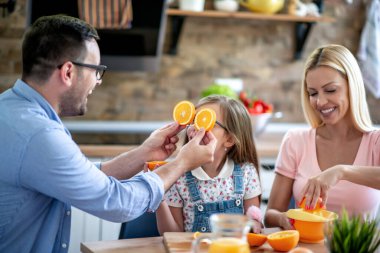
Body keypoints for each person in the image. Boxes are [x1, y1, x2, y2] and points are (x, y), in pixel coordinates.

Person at [0, 15, 217, 253]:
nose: (98, 81)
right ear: (69, 72)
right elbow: (117, 202)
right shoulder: (40, 135)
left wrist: (145, 153)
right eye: (96, 70)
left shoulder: (12, 111)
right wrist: (182, 162)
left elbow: (82, 178)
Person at [264, 44, 380, 230]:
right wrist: (283, 220)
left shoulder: (375, 142)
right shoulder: (296, 141)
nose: (320, 102)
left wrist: (342, 171)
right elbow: (271, 215)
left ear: (352, 86)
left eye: (331, 90)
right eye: (313, 93)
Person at [156, 95, 263, 234]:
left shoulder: (246, 173)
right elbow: (171, 234)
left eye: (205, 121)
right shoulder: (177, 176)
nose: (195, 127)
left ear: (229, 139)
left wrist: (255, 224)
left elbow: (254, 221)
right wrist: (158, 194)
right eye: (194, 120)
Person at [301, 164, 380, 208]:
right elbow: (287, 213)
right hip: (300, 235)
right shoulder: (296, 139)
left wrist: (342, 171)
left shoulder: (376, 139)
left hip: (358, 237)